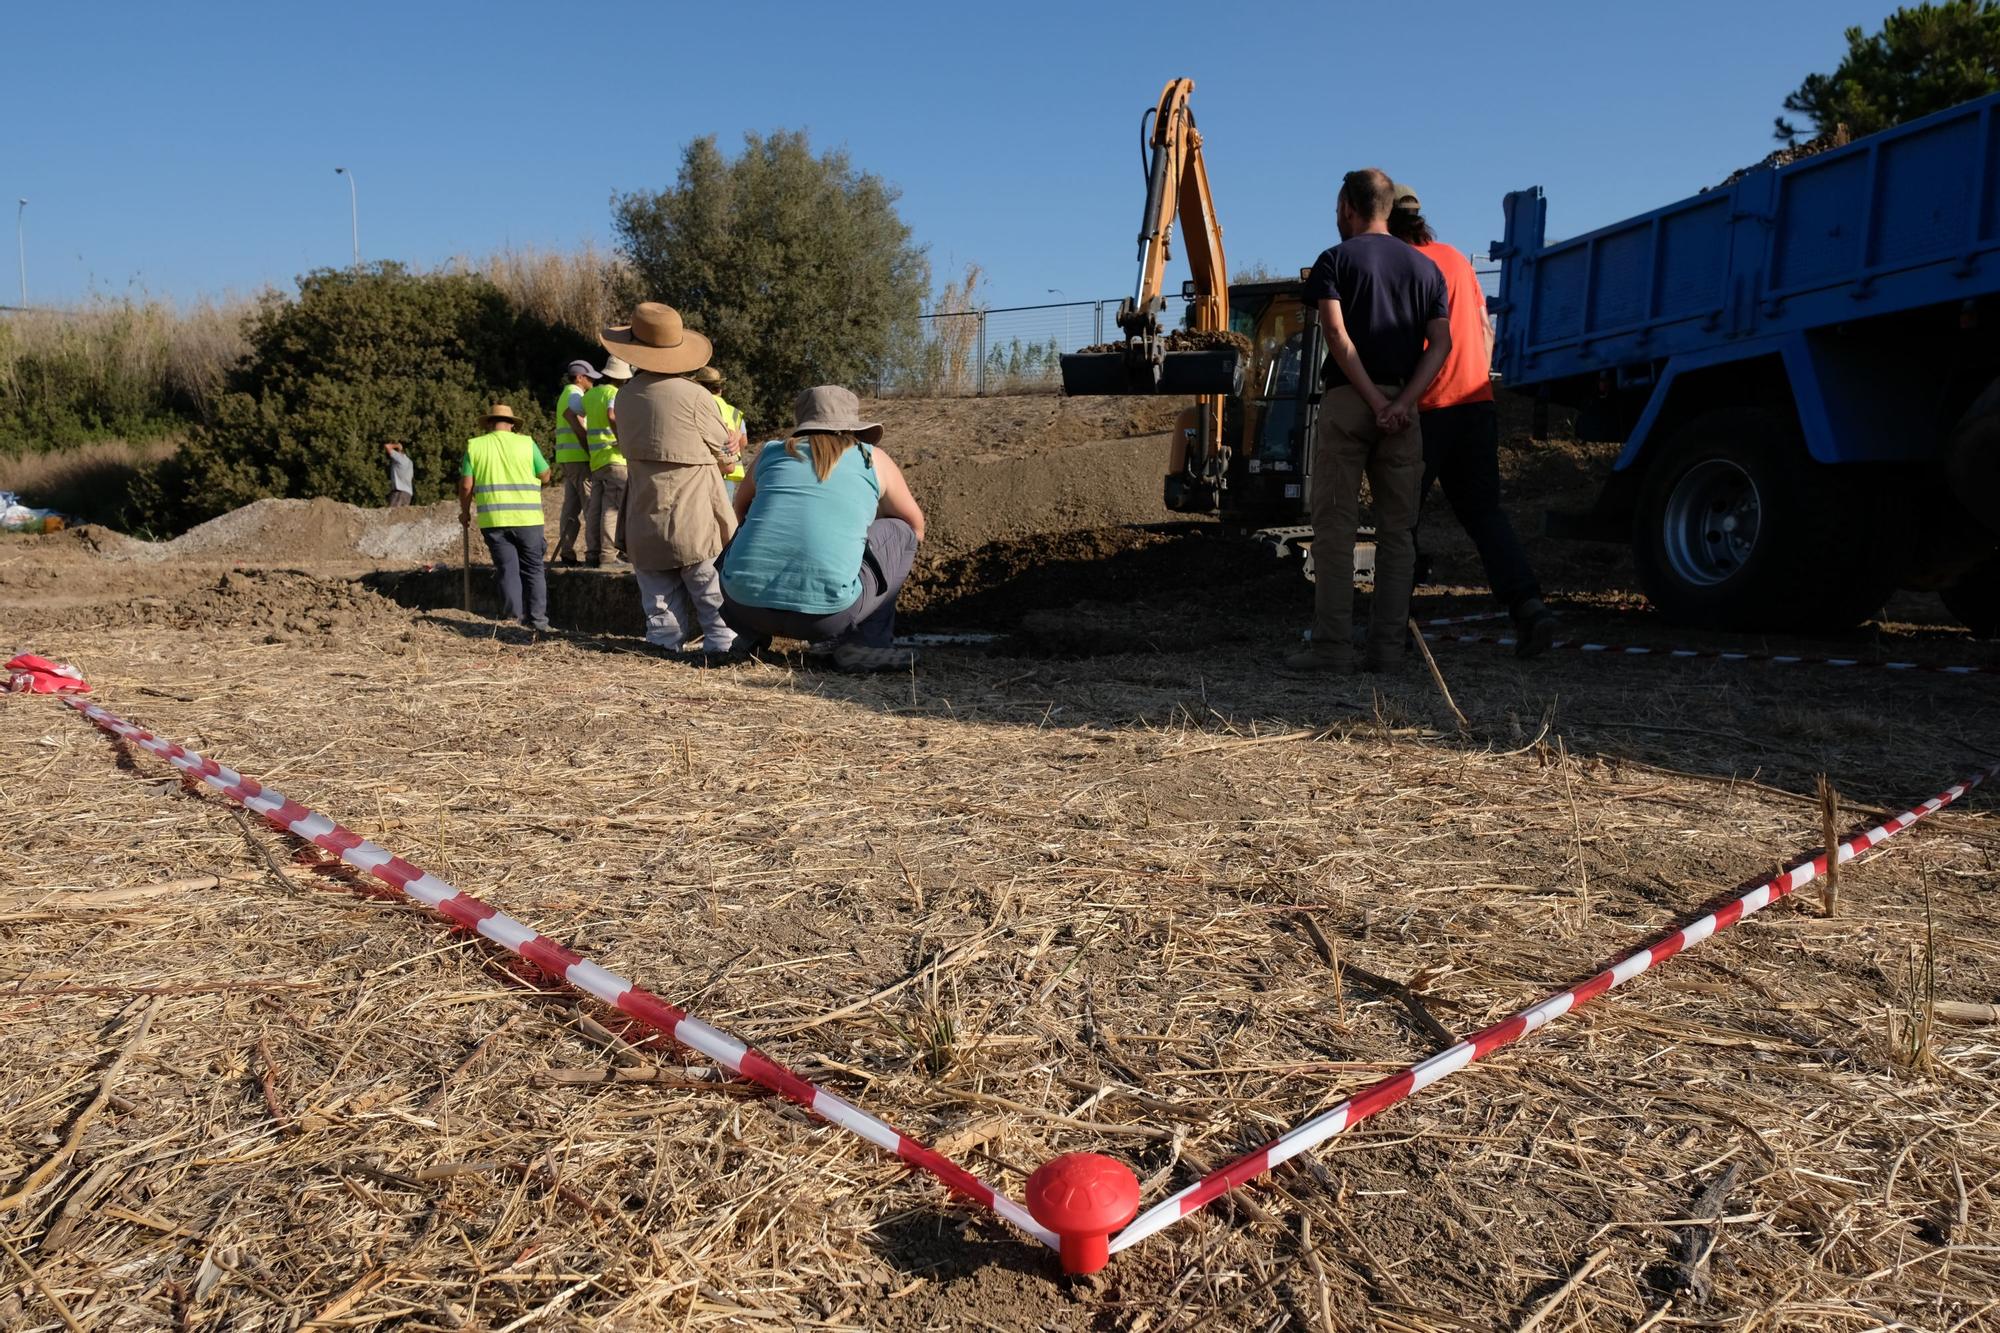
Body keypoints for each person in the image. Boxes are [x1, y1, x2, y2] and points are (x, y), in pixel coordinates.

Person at [1284, 168, 1451, 675]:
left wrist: (1371, 399)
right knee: (1398, 534)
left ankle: (1332, 649)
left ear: (1349, 209)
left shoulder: (1335, 260)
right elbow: (1441, 343)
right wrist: (1401, 403)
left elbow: (1336, 336)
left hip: (1350, 401)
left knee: (1335, 527)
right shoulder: (1426, 270)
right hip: (1404, 407)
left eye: (1338, 207)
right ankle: (1385, 653)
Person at [1388, 185, 1558, 658]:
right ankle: (1529, 607)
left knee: (1401, 520)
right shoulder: (1458, 260)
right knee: (1485, 515)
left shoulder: (1402, 265)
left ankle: (1393, 624)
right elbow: (1483, 332)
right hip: (1477, 401)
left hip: (1427, 408)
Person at [721, 385, 927, 672]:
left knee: (751, 524)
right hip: (828, 617)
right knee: (900, 530)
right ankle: (866, 644)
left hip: (743, 605)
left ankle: (750, 637)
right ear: (853, 427)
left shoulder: (770, 453)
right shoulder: (872, 458)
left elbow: (740, 509)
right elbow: (916, 528)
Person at [600, 303, 739, 656]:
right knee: (711, 594)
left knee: (658, 601)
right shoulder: (696, 397)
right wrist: (730, 449)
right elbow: (725, 458)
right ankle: (721, 651)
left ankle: (664, 648)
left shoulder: (626, 396)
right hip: (694, 513)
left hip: (644, 509)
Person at [457, 404, 552, 632]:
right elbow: (545, 475)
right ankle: (538, 621)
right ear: (511, 425)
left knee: (507, 569)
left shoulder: (475, 446)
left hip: (494, 520)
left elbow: (466, 485)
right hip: (527, 518)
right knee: (534, 569)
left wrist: (465, 511)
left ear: (489, 423)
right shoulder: (526, 443)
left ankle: (513, 621)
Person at [583, 356, 632, 566]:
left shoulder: (592, 394)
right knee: (613, 509)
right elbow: (612, 415)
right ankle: (608, 555)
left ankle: (593, 553)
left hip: (597, 460)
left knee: (595, 510)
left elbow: (575, 413)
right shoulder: (615, 393)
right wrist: (622, 439)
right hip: (615, 458)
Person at [552, 359, 600, 564]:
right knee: (591, 505)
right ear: (580, 377)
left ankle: (567, 551)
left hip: (567, 458)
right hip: (580, 459)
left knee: (571, 507)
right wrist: (591, 449)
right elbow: (579, 426)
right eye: (589, 377)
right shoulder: (575, 395)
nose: (592, 381)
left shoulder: (565, 394)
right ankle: (595, 552)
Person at [693, 365, 751, 497]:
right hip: (729, 471)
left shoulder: (701, 404)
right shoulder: (732, 410)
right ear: (720, 388)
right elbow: (743, 441)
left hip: (710, 470)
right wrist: (731, 450)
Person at [383, 441, 413, 508]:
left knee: (392, 514)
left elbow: (387, 446)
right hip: (408, 493)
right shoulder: (410, 462)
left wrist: (397, 446)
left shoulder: (399, 458)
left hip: (399, 492)